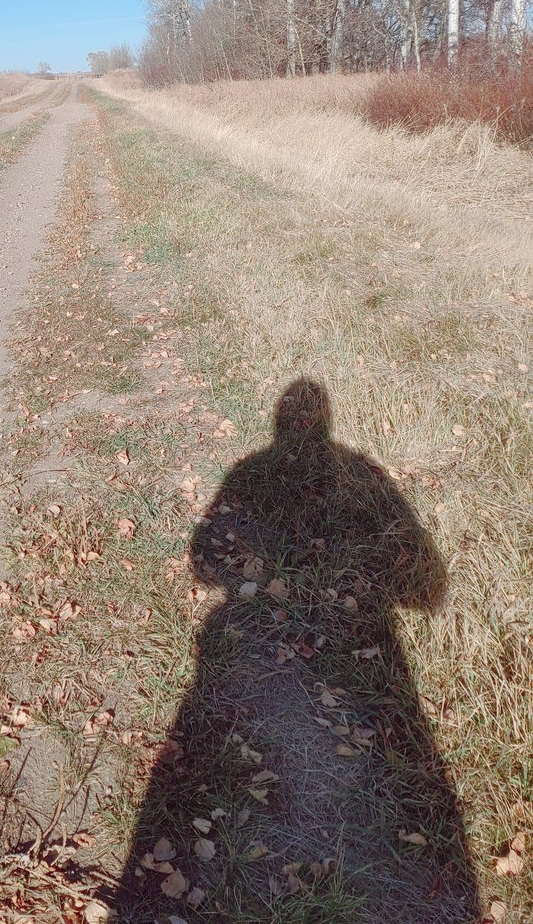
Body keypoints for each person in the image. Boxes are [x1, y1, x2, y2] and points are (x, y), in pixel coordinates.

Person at [114, 378, 477, 923]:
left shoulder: (253, 470)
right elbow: (426, 590)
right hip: (367, 657)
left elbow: (202, 561)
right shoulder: (360, 471)